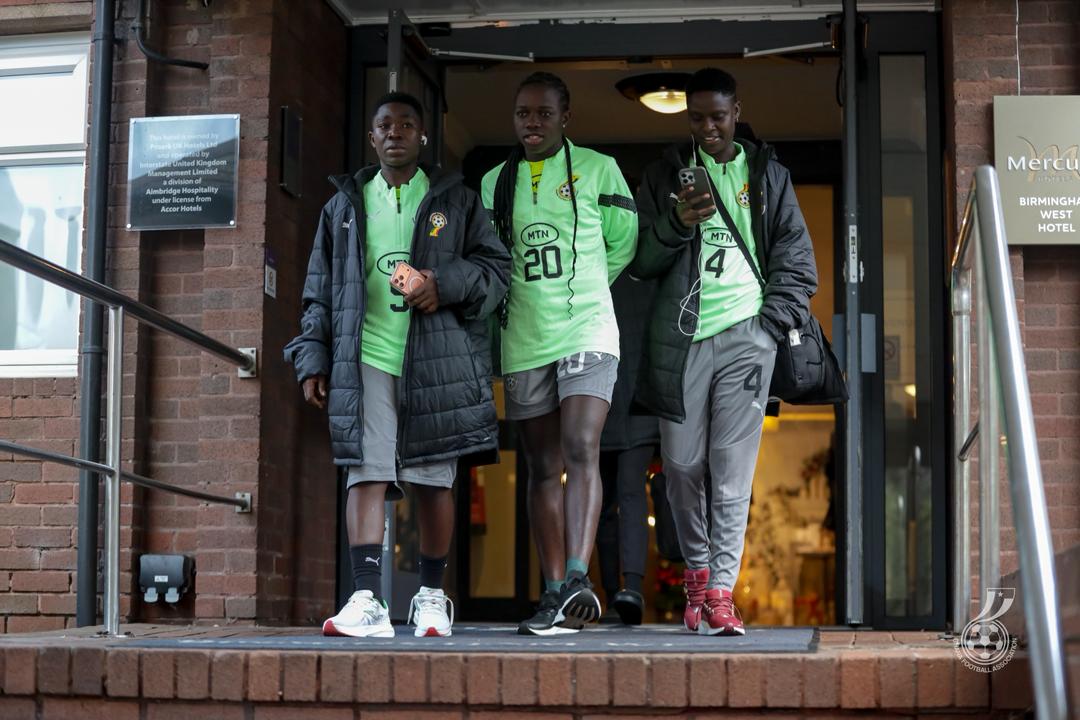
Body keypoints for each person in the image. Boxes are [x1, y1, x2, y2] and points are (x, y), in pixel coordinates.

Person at [284, 92, 510, 638]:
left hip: (436, 362)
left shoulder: (456, 200)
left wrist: (442, 285)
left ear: (423, 136)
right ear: (372, 136)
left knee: (434, 481)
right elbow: (319, 290)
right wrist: (312, 355)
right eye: (385, 124)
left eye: (407, 125)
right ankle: (367, 600)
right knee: (365, 473)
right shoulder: (343, 204)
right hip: (365, 358)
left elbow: (496, 270)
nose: (395, 133)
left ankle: (431, 596)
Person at [631, 68, 818, 636]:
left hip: (746, 338)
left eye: (718, 116)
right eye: (697, 118)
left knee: (732, 473)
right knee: (683, 468)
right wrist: (675, 223)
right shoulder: (666, 174)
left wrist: (768, 326)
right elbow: (638, 260)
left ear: (737, 111)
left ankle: (718, 594)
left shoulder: (767, 174)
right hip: (680, 340)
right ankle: (695, 573)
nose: (708, 127)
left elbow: (796, 256)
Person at [481, 71, 638, 635]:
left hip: (588, 329)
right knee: (542, 467)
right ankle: (554, 593)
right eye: (523, 113)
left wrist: (588, 282)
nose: (532, 123)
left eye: (544, 113)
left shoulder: (599, 168)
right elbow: (488, 256)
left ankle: (577, 576)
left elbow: (623, 240)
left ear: (565, 117)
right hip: (523, 338)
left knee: (581, 445)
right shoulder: (495, 181)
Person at [596, 270, 658, 625]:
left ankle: (613, 594)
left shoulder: (594, 264)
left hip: (603, 392)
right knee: (631, 493)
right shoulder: (644, 270)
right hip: (637, 395)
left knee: (605, 502)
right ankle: (629, 590)